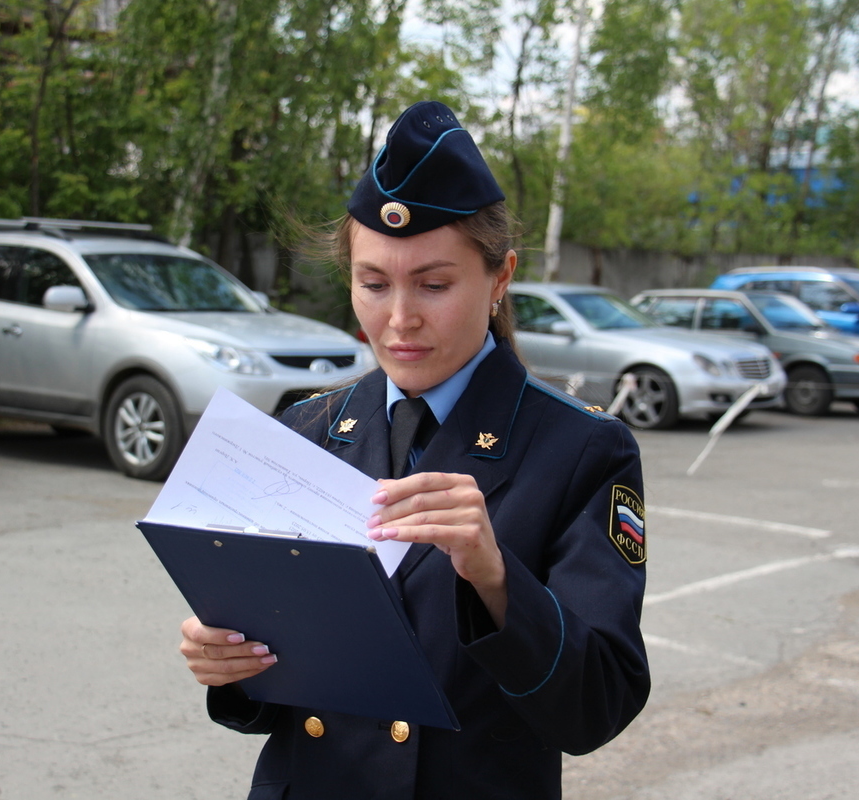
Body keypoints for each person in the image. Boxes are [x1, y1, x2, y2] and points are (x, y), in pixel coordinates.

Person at [178, 100, 649, 800]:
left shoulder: (581, 449)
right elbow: (283, 695)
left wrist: (496, 580)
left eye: (433, 284)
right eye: (373, 284)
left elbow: (598, 707)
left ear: (499, 278)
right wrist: (230, 660)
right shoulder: (308, 430)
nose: (398, 319)